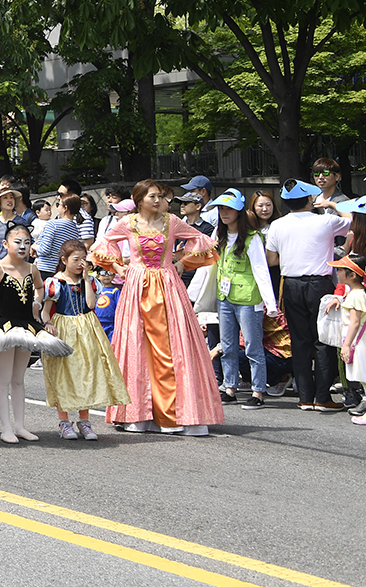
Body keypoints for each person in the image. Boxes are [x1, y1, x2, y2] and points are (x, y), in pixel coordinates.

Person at [91, 179, 222, 435]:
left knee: (173, 345)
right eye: (153, 196)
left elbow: (202, 240)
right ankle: (139, 414)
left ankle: (179, 413)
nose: (159, 200)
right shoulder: (128, 224)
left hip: (167, 284)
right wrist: (118, 266)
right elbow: (102, 245)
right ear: (139, 199)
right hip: (137, 285)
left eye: (161, 196)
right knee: (138, 346)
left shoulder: (172, 222)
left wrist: (183, 262)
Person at [0, 223, 72, 442]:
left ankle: (20, 426)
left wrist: (37, 303)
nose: (22, 246)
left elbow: (40, 288)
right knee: (4, 378)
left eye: (27, 242)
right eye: (18, 242)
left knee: (18, 379)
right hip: (4, 327)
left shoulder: (32, 269)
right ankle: (6, 428)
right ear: (6, 244)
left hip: (27, 326)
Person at [266, 178, 352, 412]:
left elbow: (272, 259)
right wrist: (332, 205)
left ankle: (305, 397)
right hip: (319, 283)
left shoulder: (277, 225)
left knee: (300, 341)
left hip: (291, 284)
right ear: (309, 200)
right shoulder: (325, 221)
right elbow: (352, 220)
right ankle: (322, 397)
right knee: (323, 339)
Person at [40, 240, 129, 439]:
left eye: (84, 259)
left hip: (87, 328)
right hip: (64, 328)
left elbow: (91, 304)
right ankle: (64, 421)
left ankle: (85, 421)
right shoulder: (55, 282)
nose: (81, 263)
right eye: (76, 259)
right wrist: (49, 324)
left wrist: (87, 280)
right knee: (64, 373)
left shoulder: (90, 281)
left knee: (88, 372)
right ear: (64, 260)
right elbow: (45, 312)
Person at [205, 189, 277, 410]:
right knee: (227, 345)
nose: (224, 213)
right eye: (221, 209)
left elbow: (260, 269)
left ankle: (258, 391)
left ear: (239, 212)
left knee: (253, 346)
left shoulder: (253, 237)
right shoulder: (220, 234)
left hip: (248, 298)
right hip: (225, 297)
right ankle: (230, 387)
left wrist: (270, 303)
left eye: (228, 209)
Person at [330, 255, 366, 426]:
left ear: (352, 275)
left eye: (340, 270)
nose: (337, 273)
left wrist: (346, 345)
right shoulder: (361, 293)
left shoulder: (356, 296)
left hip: (361, 342)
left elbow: (354, 322)